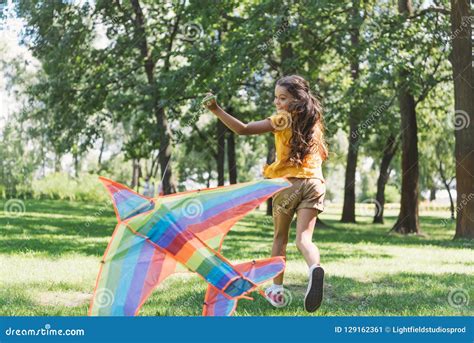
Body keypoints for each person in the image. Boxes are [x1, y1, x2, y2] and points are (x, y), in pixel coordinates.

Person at [203, 75, 328, 312]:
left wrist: (216, 109)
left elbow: (243, 129)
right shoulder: (314, 121)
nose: (277, 103)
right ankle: (315, 268)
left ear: (296, 100)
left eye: (282, 98)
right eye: (276, 98)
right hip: (315, 183)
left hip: (289, 184)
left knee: (280, 238)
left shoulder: (282, 119)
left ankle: (277, 290)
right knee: (304, 239)